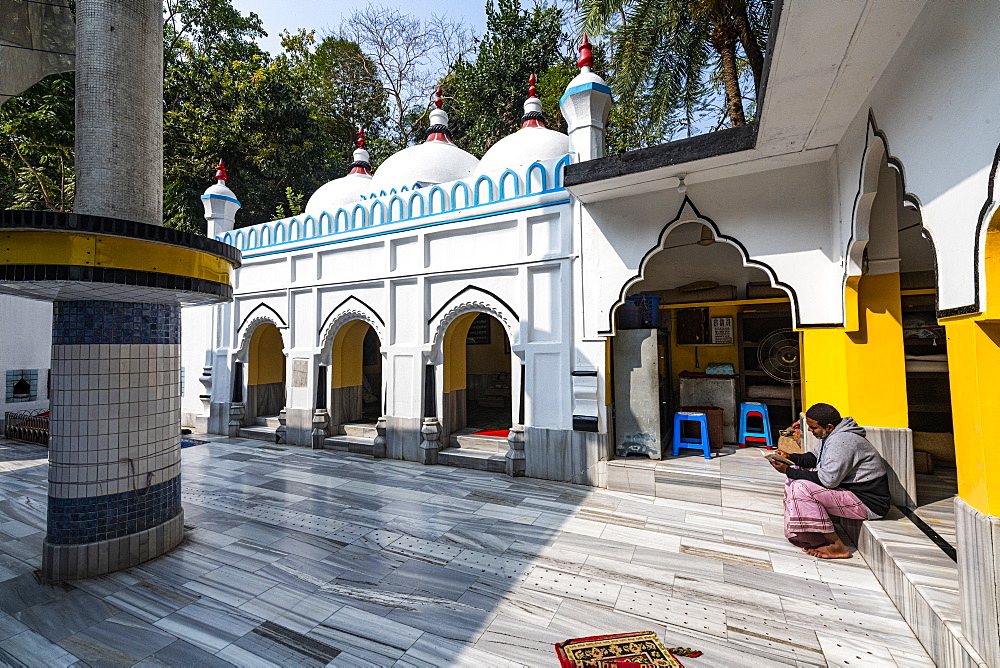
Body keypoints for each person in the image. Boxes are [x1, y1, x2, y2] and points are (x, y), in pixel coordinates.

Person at [768, 403, 890, 559]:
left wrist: (788, 470)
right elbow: (813, 458)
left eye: (813, 427)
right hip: (850, 492)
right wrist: (790, 457)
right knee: (798, 475)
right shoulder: (833, 435)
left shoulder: (842, 440)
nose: (810, 431)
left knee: (801, 486)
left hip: (869, 503)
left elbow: (828, 481)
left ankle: (835, 545)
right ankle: (812, 532)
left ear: (829, 427)